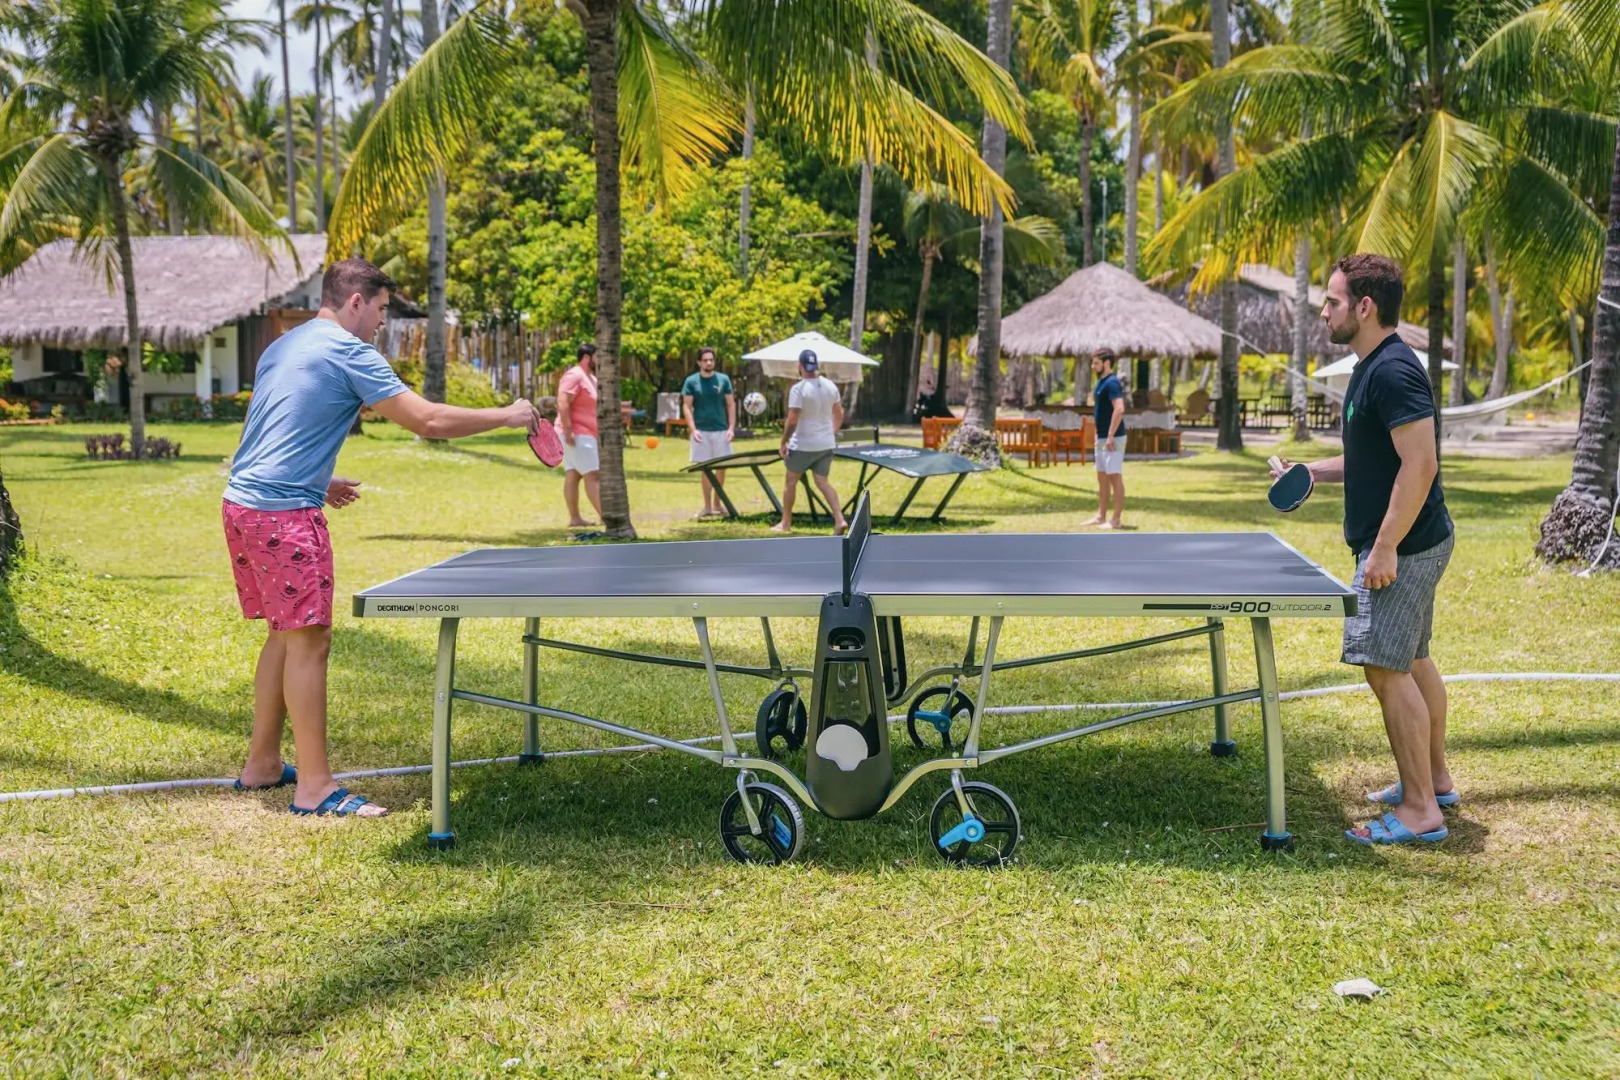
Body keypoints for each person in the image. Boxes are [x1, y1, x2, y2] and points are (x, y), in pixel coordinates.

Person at [223, 258, 539, 817]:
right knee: (310, 641)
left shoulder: (284, 345)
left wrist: (318, 479)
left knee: (283, 634)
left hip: (243, 503)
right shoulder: (349, 351)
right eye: (380, 311)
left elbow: (270, 431)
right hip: (282, 514)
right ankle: (315, 788)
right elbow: (428, 421)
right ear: (354, 302)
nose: (380, 325)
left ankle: (263, 764)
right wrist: (508, 415)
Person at [1271, 253, 1456, 846]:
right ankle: (1436, 782)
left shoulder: (1393, 371)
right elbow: (1377, 459)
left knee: (1385, 665)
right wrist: (1313, 471)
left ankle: (1421, 810)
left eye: (1332, 300)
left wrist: (1383, 549)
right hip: (1412, 542)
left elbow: (1420, 465)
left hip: (1404, 547)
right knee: (1413, 659)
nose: (1324, 310)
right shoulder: (1369, 368)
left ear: (1364, 307)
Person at [774, 349, 847, 534]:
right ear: (816, 366)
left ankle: (785, 523)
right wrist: (831, 433)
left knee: (791, 481)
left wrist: (783, 442)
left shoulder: (799, 389)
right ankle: (839, 519)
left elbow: (792, 421)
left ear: (800, 366)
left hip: (803, 444)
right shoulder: (831, 386)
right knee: (822, 482)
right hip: (826, 444)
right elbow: (839, 414)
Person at [682, 347, 737, 518]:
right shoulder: (691, 382)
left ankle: (717, 504)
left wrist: (731, 428)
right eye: (705, 360)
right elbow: (687, 407)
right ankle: (706, 507)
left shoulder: (723, 380)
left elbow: (730, 404)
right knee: (706, 469)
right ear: (699, 362)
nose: (708, 363)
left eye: (711, 360)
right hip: (702, 432)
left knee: (721, 468)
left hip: (721, 431)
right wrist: (693, 430)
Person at [557, 343, 603, 527]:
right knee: (593, 475)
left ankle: (575, 519)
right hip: (576, 433)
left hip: (586, 433)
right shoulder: (574, 375)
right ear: (587, 357)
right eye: (597, 356)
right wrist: (568, 429)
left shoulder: (591, 378)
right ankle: (607, 518)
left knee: (573, 475)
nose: (600, 360)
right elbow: (563, 401)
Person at [1083, 347, 1127, 528]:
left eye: (1096, 363)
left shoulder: (1112, 383)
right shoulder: (1100, 383)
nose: (1093, 366)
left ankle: (1115, 520)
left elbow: (1119, 409)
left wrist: (1110, 435)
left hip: (1113, 438)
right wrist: (1098, 435)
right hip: (1101, 437)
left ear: (1107, 363)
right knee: (1102, 478)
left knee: (1114, 477)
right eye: (1093, 363)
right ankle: (1100, 516)